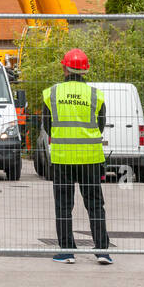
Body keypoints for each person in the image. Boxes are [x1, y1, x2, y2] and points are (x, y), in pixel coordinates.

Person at [42, 48, 111, 265]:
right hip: (90, 157)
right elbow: (99, 126)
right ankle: (102, 251)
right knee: (95, 205)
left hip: (63, 157)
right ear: (85, 71)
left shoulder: (51, 93)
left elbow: (47, 125)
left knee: (63, 205)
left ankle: (67, 252)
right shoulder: (95, 95)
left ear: (64, 68)